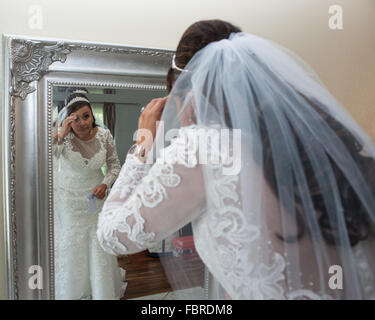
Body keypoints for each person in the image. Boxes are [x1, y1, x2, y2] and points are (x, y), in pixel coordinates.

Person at [97, 20, 375, 299]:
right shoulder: (312, 137)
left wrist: (142, 144)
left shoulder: (203, 147)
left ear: (188, 97)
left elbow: (111, 236)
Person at [53, 88, 125, 300]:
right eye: (76, 118)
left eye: (86, 116)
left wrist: (105, 184)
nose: (83, 122)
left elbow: (114, 165)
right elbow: (47, 161)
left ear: (92, 114)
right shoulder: (60, 138)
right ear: (68, 120)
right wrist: (60, 136)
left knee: (96, 242)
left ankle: (100, 289)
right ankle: (73, 290)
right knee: (72, 243)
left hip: (95, 198)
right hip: (68, 199)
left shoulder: (104, 135)